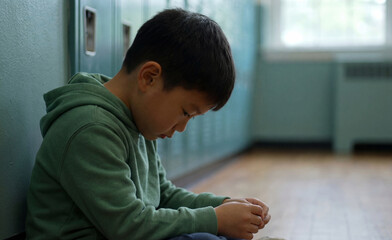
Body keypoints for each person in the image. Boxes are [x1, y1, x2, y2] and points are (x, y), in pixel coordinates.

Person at [26, 8, 270, 240]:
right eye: (185, 112)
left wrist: (222, 207)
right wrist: (215, 219)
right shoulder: (90, 128)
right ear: (149, 77)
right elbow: (129, 226)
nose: (182, 128)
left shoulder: (139, 122)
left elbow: (163, 194)